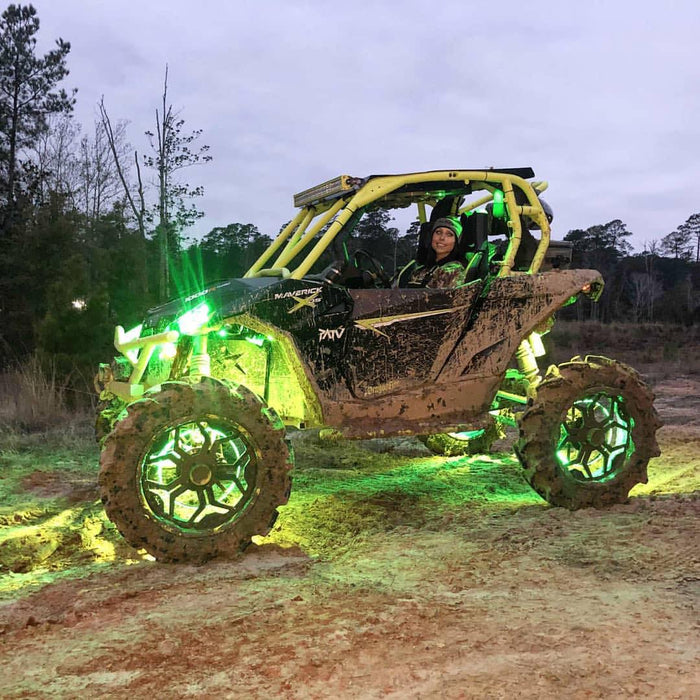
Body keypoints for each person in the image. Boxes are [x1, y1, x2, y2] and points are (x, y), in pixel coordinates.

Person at [394, 216, 468, 288]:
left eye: (449, 234)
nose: (442, 238)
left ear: (457, 241)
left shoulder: (453, 270)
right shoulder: (421, 269)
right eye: (438, 232)